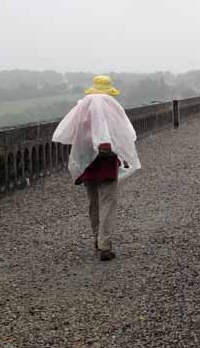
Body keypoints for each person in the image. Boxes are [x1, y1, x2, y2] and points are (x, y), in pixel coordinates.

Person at [52, 75, 141, 261]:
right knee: (107, 203)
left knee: (93, 203)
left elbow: (74, 134)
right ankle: (105, 245)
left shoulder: (83, 108)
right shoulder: (110, 107)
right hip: (106, 163)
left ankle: (96, 239)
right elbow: (124, 133)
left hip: (87, 163)